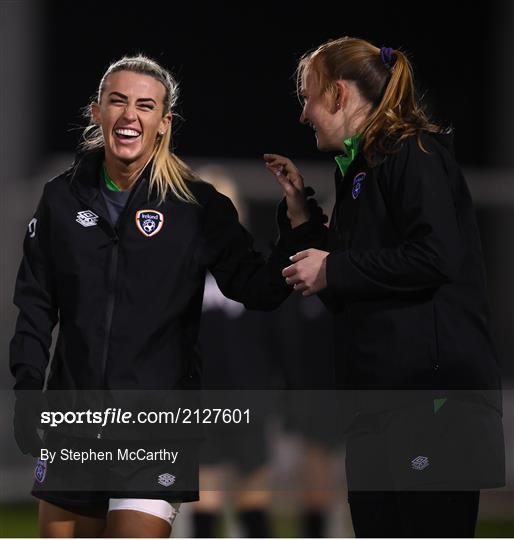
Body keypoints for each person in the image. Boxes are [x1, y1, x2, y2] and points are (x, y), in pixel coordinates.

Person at [9, 54, 326, 538]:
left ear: (163, 122)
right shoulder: (60, 198)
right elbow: (34, 304)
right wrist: (29, 388)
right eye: (118, 102)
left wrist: (298, 229)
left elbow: (255, 289)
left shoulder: (197, 207)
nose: (130, 115)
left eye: (145, 105)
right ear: (97, 112)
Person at [264, 37, 505, 538]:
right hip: (377, 403)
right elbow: (350, 286)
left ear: (338, 94)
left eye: (307, 97)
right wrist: (303, 219)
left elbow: (436, 256)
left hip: (430, 404)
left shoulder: (411, 152)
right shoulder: (362, 169)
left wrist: (334, 269)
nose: (304, 113)